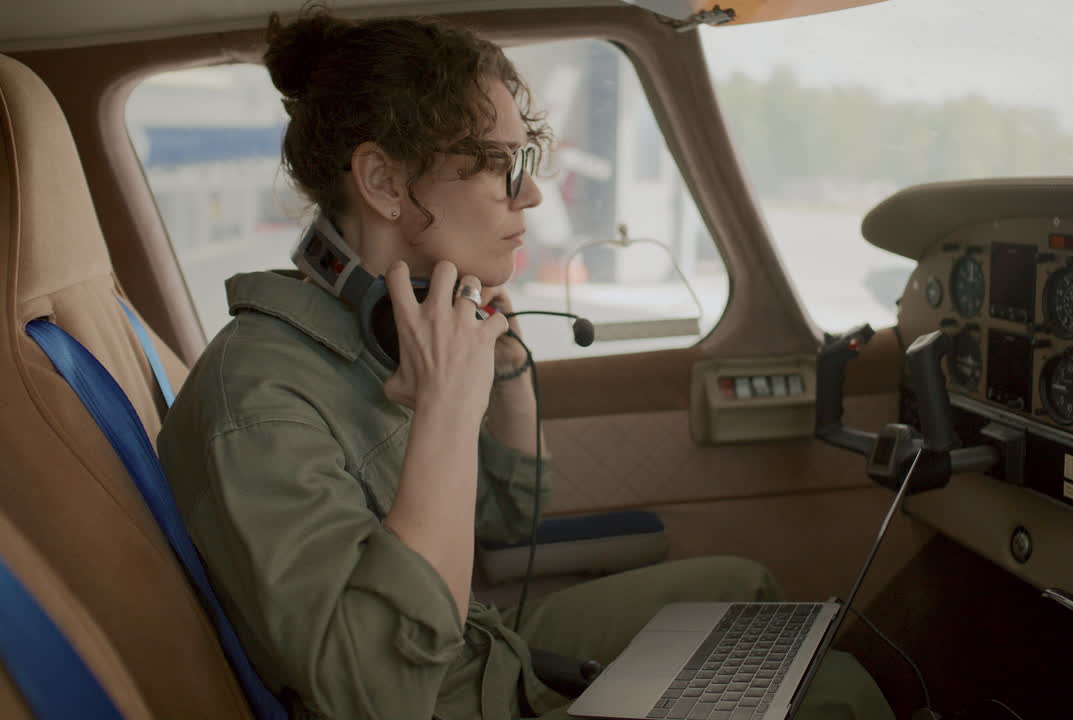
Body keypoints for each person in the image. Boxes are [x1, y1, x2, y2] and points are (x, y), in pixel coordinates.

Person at [158, 8, 892, 720]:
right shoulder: (262, 402)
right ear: (382, 182)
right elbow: (378, 692)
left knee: (746, 587)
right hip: (436, 691)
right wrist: (446, 410)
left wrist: (501, 367)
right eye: (500, 166)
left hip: (481, 652)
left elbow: (508, 521)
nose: (533, 194)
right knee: (839, 695)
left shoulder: (395, 335)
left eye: (526, 161)